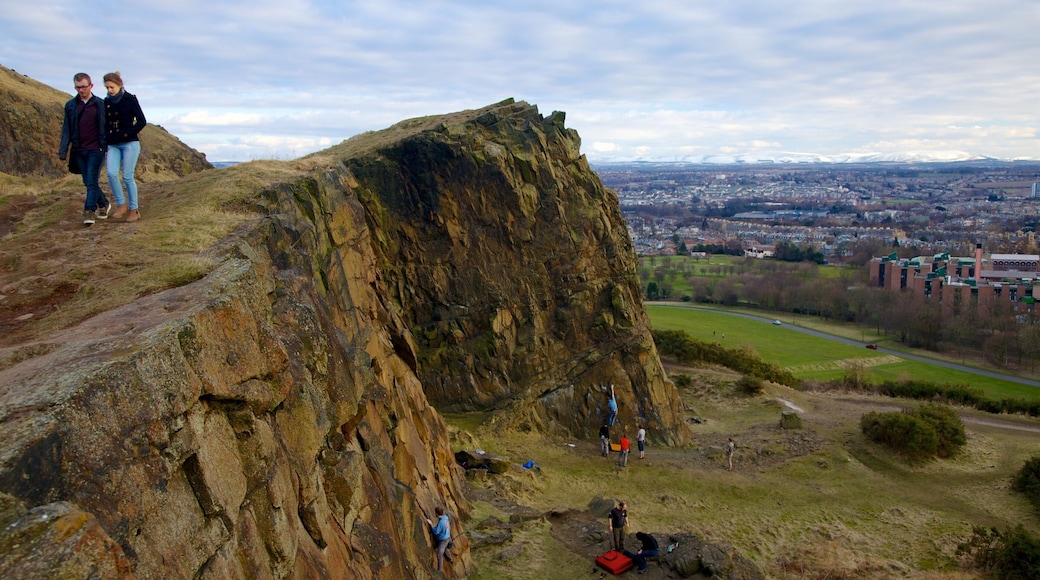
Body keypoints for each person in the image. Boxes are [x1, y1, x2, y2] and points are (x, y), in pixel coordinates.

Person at [58, 73, 110, 226]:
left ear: (91, 86)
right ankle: (104, 203)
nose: (81, 90)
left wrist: (108, 146)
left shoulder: (101, 104)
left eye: (83, 87)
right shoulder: (71, 105)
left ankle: (89, 211)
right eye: (78, 87)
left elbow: (106, 127)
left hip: (97, 149)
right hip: (79, 150)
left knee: (91, 180)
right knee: (88, 181)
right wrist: (63, 150)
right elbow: (66, 129)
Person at [102, 71, 147, 222]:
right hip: (113, 144)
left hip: (130, 143)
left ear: (120, 85)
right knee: (111, 174)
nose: (109, 90)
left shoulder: (130, 99)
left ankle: (134, 209)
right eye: (107, 87)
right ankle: (121, 204)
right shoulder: (105, 102)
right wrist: (106, 137)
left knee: (128, 176)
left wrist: (127, 133)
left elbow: (141, 121)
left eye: (112, 87)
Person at [426, 506, 454, 571]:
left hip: (442, 540)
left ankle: (440, 570)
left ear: (436, 514)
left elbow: (436, 532)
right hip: (447, 537)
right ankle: (450, 559)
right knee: (446, 548)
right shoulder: (445, 518)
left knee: (439, 553)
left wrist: (431, 524)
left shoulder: (441, 522)